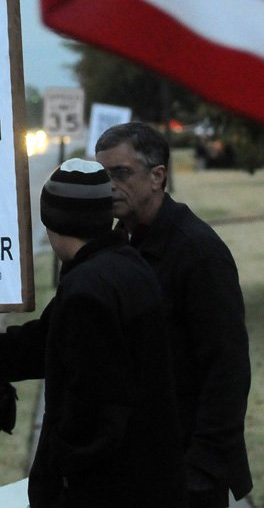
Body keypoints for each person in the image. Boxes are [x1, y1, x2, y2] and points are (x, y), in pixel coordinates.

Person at [0, 159, 188, 508]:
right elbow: (43, 342)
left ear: (54, 225)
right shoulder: (125, 264)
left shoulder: (87, 288)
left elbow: (94, 403)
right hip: (148, 475)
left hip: (107, 488)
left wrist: (62, 470)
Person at [95, 122, 252, 508]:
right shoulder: (113, 246)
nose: (109, 185)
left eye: (121, 173)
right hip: (134, 466)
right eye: (103, 175)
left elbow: (227, 369)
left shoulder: (197, 252)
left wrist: (201, 468)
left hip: (187, 473)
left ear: (157, 176)